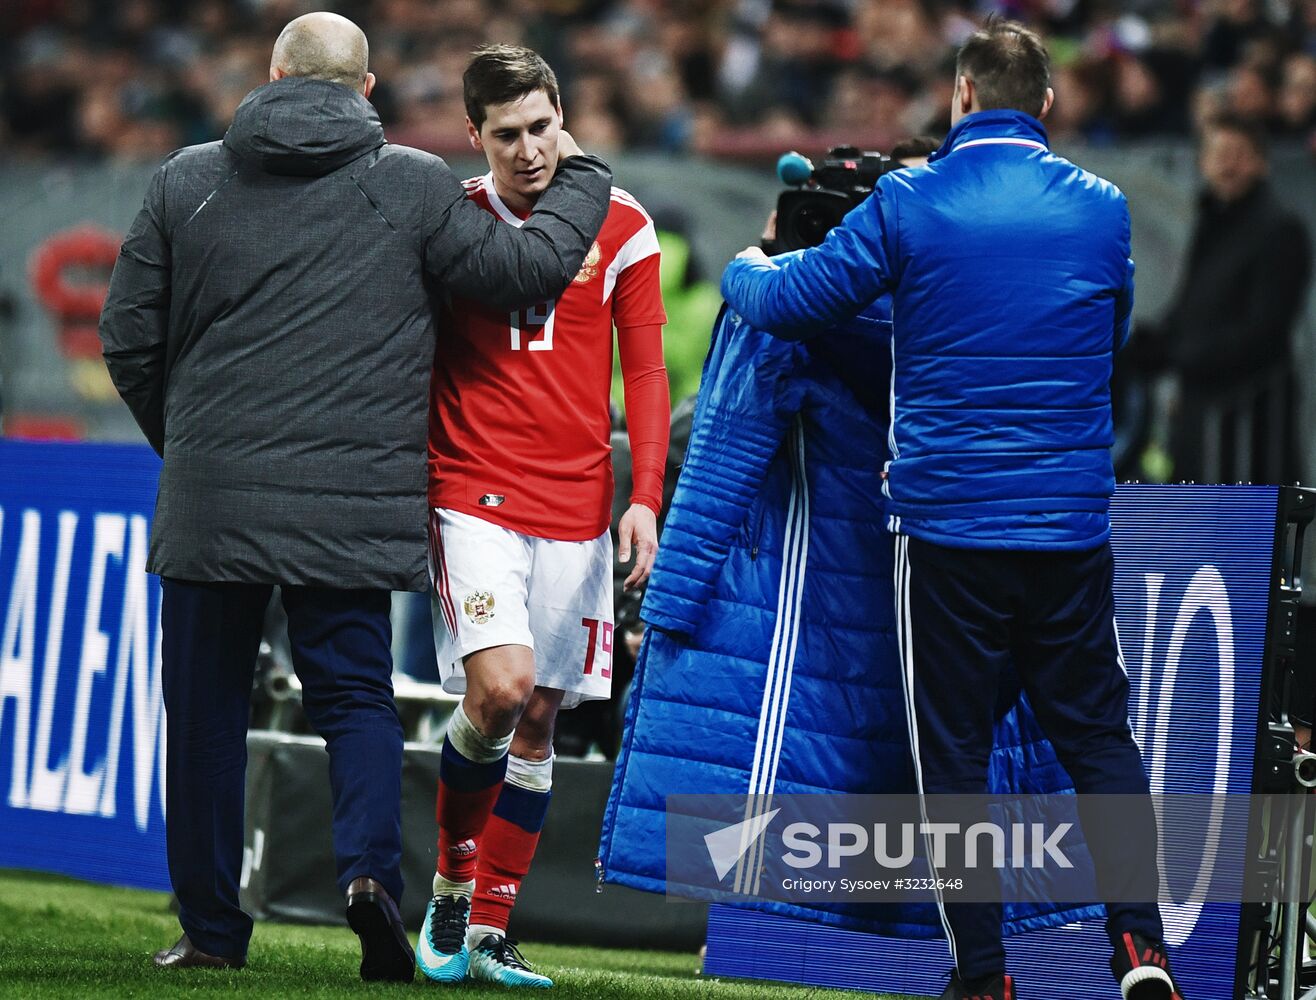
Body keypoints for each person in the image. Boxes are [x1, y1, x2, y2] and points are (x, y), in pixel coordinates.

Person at [97, 12, 612, 982]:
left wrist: (196, 442)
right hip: (350, 499)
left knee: (203, 714)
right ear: (366, 90)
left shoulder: (186, 180)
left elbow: (126, 335)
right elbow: (524, 273)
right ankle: (371, 880)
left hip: (215, 500)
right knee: (355, 701)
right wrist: (582, 173)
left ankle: (210, 929)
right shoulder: (413, 184)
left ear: (274, 72)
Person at [720, 19, 1183, 1000]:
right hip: (1063, 522)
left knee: (954, 754)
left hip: (944, 527)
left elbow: (797, 300)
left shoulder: (908, 201)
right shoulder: (1100, 209)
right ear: (1046, 105)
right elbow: (1109, 329)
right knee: (1099, 737)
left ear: (961, 95)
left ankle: (981, 977)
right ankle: (1139, 948)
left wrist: (743, 266)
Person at [415, 45, 669, 987]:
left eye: (542, 127)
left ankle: (488, 928)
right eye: (507, 134)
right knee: (500, 690)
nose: (529, 151)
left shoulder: (626, 224)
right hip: (473, 488)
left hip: (577, 504)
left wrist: (643, 496)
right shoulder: (450, 223)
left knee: (541, 722)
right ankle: (449, 882)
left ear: (563, 115)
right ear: (473, 136)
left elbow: (642, 369)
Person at [1151, 113, 1310, 484]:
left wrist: (1184, 355)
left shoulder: (1279, 229)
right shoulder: (1211, 222)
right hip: (1201, 413)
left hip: (1247, 421)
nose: (1227, 165)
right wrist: (1146, 349)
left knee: (1240, 537)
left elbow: (1264, 331)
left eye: (1238, 154)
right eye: (1218, 154)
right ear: (1203, 163)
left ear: (1261, 162)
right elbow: (1188, 309)